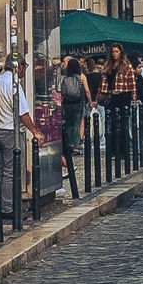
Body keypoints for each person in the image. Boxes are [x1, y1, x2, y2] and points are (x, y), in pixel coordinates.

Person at [0, 53, 42, 219]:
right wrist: (35, 132)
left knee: (0, 171)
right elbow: (23, 113)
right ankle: (8, 208)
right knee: (10, 172)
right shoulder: (13, 84)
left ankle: (2, 204)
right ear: (17, 66)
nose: (24, 69)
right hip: (9, 131)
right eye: (24, 66)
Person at [57, 56, 89, 190]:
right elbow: (86, 91)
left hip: (67, 104)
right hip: (77, 103)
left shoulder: (64, 78)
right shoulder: (81, 77)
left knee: (68, 123)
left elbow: (61, 92)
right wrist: (91, 101)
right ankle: (74, 143)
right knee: (76, 123)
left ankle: (69, 142)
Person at [102, 44, 138, 165]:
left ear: (121, 53)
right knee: (110, 123)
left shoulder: (127, 66)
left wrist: (133, 97)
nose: (114, 54)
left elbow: (132, 82)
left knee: (123, 123)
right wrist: (100, 95)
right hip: (111, 95)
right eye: (113, 52)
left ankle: (123, 150)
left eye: (117, 52)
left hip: (123, 94)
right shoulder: (107, 65)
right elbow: (104, 82)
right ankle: (112, 150)